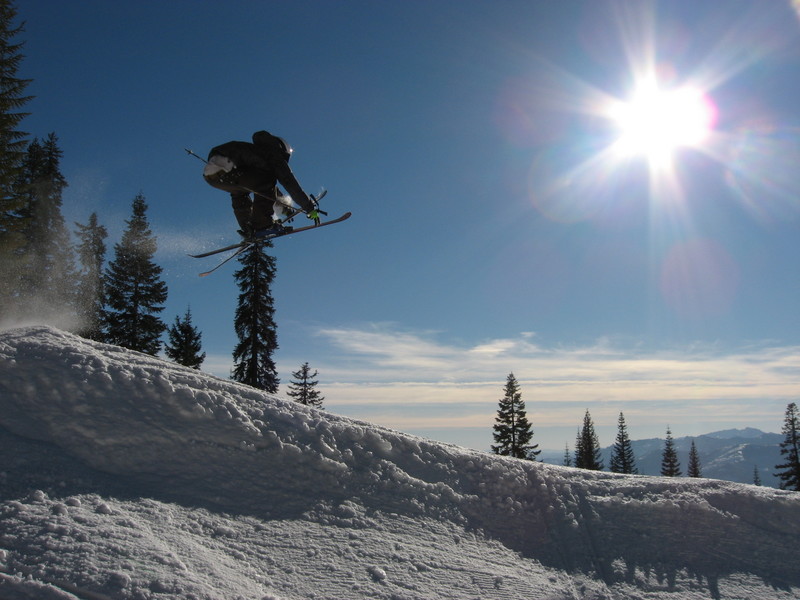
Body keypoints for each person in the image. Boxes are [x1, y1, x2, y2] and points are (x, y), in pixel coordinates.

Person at [203, 130, 319, 238]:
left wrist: (284, 207)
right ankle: (262, 225)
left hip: (212, 176)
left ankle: (248, 228)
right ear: (282, 149)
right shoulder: (273, 154)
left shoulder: (256, 151)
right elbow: (288, 182)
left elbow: (264, 186)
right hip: (229, 169)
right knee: (266, 181)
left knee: (239, 192)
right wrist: (309, 207)